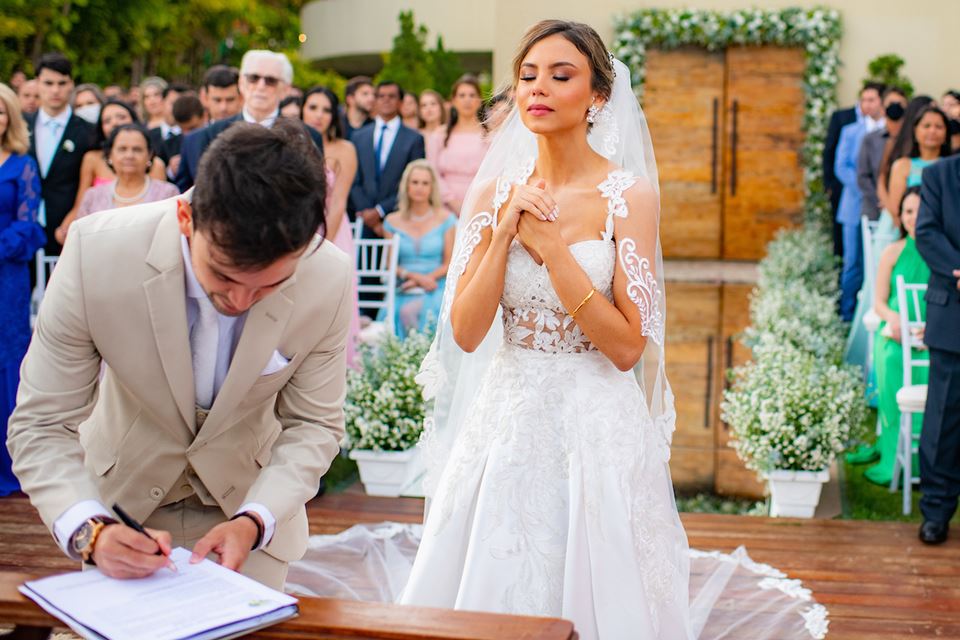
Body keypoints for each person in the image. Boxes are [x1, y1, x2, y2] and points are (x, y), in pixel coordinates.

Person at [399, 21, 693, 638]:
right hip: (506, 419)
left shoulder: (628, 196)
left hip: (596, 424)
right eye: (528, 76)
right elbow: (467, 333)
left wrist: (555, 251)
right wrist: (505, 230)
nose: (539, 88)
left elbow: (625, 348)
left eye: (562, 76)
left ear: (597, 98)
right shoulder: (491, 192)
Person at [7, 120, 352, 589]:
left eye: (270, 285)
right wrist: (89, 529)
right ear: (185, 218)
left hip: (253, 520)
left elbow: (314, 426)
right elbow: (41, 423)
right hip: (119, 512)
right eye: (225, 277)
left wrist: (255, 520)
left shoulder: (326, 278)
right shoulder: (95, 254)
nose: (241, 302)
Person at [175, 50, 323, 192]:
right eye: (253, 78)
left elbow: (313, 197)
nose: (260, 86)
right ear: (241, 83)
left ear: (285, 89)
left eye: (270, 81)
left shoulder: (308, 138)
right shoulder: (204, 137)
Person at [865, 187, 930, 487]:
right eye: (908, 211)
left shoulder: (943, 254)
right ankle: (895, 455)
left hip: (930, 335)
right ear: (901, 217)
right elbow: (878, 301)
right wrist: (894, 320)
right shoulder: (892, 251)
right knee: (892, 358)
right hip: (895, 330)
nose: (914, 218)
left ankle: (927, 461)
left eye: (920, 210)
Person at [0, 83, 46, 496]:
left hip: (6, 274)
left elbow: (29, 223)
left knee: (5, 360)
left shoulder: (22, 165)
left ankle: (7, 464)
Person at [915, 154, 960, 545]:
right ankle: (936, 509)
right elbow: (926, 232)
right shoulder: (938, 176)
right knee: (943, 417)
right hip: (952, 313)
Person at [302, 86, 361, 366]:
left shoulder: (344, 149)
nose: (319, 115)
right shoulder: (292, 143)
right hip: (296, 229)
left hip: (332, 232)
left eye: (326, 110)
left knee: (331, 299)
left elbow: (338, 201)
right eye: (313, 107)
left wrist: (322, 243)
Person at [55, 99, 167, 243]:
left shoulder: (154, 165)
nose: (114, 123)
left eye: (121, 117)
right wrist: (65, 228)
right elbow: (81, 204)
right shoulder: (92, 159)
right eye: (107, 120)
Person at [25, 52, 96, 257]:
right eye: (48, 83)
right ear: (37, 83)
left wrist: (74, 217)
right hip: (25, 226)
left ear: (71, 84)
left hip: (67, 227)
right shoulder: (20, 125)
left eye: (61, 83)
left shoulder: (87, 131)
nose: (55, 90)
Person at [376, 160, 456, 337]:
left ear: (432, 187)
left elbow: (449, 262)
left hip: (436, 285)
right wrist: (414, 278)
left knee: (410, 312)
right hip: (405, 285)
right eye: (415, 182)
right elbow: (390, 264)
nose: (419, 187)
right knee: (401, 311)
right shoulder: (391, 221)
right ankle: (406, 361)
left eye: (425, 183)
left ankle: (420, 359)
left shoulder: (447, 219)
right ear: (407, 186)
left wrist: (427, 279)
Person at [349, 80, 425, 236]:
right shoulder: (358, 136)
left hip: (397, 218)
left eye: (391, 96)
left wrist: (380, 211)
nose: (386, 100)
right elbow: (353, 179)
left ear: (400, 102)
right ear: (375, 100)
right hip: (362, 219)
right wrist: (366, 211)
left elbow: (413, 180)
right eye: (381, 96)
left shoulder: (414, 139)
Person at [824, 83, 884, 260]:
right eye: (863, 100)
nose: (867, 104)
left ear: (882, 102)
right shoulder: (850, 130)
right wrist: (866, 190)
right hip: (854, 201)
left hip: (882, 205)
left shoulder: (890, 132)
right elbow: (840, 165)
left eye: (871, 100)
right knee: (852, 259)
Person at [76, 124, 179, 218]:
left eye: (137, 149)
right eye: (122, 149)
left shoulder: (167, 194)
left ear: (149, 155)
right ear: (109, 155)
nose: (129, 156)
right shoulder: (93, 196)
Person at [426, 75, 490, 215]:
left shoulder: (490, 135)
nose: (467, 100)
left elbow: (493, 173)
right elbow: (433, 171)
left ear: (479, 100)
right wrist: (451, 201)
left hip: (481, 205)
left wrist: (474, 203)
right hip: (444, 208)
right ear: (454, 101)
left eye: (472, 95)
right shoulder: (440, 135)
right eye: (462, 95)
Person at [886, 106, 951, 229]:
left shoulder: (951, 167)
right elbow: (895, 210)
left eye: (939, 127)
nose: (932, 131)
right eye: (926, 126)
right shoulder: (903, 166)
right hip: (906, 231)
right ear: (915, 131)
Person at [341, 76, 374, 141]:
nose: (371, 99)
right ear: (350, 99)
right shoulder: (337, 126)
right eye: (365, 94)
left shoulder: (375, 127)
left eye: (373, 94)